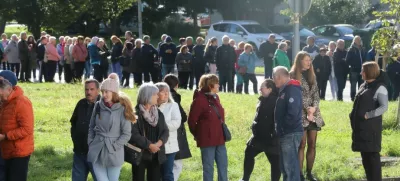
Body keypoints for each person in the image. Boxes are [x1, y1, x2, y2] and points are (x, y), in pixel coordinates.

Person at [87, 73, 134, 181]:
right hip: (97, 149)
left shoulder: (122, 109)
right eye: (102, 92)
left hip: (114, 152)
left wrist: (114, 146)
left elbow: (126, 134)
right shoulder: (98, 105)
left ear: (114, 92)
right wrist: (91, 142)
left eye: (107, 92)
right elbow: (91, 127)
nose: (104, 95)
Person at [350, 62, 388, 181]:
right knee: (365, 159)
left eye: (363, 70)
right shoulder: (364, 85)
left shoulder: (380, 87)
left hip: (371, 131)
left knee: (372, 160)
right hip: (362, 130)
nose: (361, 73)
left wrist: (368, 115)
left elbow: (384, 107)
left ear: (369, 72)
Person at [290, 51, 324, 181]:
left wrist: (313, 108)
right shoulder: (292, 75)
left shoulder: (312, 75)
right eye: (306, 60)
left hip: (314, 114)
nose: (309, 62)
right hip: (300, 114)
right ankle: (300, 174)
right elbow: (295, 95)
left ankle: (310, 173)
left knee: (312, 144)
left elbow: (316, 94)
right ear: (299, 61)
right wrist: (307, 110)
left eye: (310, 60)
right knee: (301, 144)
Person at [188, 74, 228, 181]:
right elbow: (191, 121)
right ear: (210, 86)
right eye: (217, 83)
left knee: (223, 166)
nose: (219, 85)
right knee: (208, 168)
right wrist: (198, 134)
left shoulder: (216, 97)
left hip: (220, 139)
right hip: (207, 140)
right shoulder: (199, 100)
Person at [240, 79, 281, 181]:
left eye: (262, 87)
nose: (260, 89)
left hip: (271, 139)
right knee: (249, 153)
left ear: (270, 89)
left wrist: (273, 136)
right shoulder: (262, 99)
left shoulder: (276, 102)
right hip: (259, 137)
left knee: (275, 162)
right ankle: (245, 179)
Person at [129, 83, 169, 181]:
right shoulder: (135, 113)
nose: (158, 96)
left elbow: (165, 131)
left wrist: (158, 144)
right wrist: (150, 145)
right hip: (140, 154)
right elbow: (134, 134)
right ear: (147, 96)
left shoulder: (158, 113)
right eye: (155, 94)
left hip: (156, 154)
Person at [0, 70, 34, 181]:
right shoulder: (4, 102)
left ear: (9, 89)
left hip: (19, 152)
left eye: (0, 94)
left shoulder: (21, 102)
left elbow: (27, 129)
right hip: (6, 150)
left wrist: (6, 136)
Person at [272, 66, 303, 181]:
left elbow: (293, 113)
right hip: (287, 132)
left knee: (290, 168)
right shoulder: (286, 89)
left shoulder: (292, 89)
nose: (273, 80)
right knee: (285, 168)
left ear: (278, 77)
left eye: (274, 78)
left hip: (290, 132)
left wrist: (283, 128)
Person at [70, 79, 100, 181]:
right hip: (79, 151)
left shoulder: (103, 106)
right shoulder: (81, 103)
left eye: (92, 89)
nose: (89, 92)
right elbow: (73, 123)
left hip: (96, 154)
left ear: (98, 90)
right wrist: (75, 139)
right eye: (86, 89)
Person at [163, 74, 191, 181]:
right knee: (176, 164)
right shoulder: (174, 98)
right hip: (175, 134)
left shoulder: (158, 95)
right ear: (177, 85)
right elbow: (182, 117)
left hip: (163, 135)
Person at [155, 82, 181, 181]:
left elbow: (176, 123)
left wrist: (160, 126)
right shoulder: (152, 106)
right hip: (154, 145)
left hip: (169, 146)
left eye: (167, 92)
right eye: (163, 92)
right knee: (156, 174)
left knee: (167, 174)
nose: (166, 94)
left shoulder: (173, 106)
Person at [346, 36, 366, 101]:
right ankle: (353, 98)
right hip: (354, 70)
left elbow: (364, 58)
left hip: (361, 70)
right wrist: (354, 64)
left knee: (361, 84)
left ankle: (360, 97)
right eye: (357, 40)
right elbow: (347, 60)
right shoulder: (351, 49)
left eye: (359, 40)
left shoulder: (362, 49)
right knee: (353, 85)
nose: (359, 41)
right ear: (354, 41)